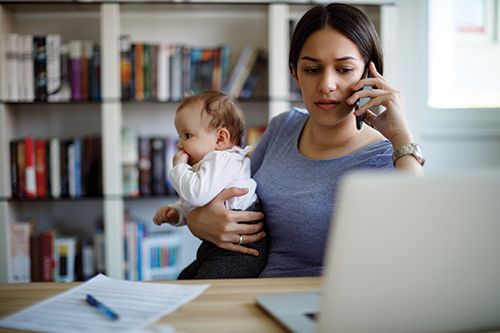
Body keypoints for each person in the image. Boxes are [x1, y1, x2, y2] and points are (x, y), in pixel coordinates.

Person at [174, 3, 424, 278]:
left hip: (323, 308)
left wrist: (402, 139)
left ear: (368, 74)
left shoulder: (391, 156)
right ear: (295, 73)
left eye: (344, 69)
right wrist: (196, 220)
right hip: (252, 294)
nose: (327, 84)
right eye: (312, 70)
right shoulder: (283, 126)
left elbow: (418, 244)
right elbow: (230, 190)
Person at [152, 90, 268, 279]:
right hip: (217, 245)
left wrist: (179, 167)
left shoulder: (223, 160)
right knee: (184, 279)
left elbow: (197, 194)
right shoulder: (211, 164)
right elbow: (201, 202)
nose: (180, 145)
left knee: (204, 289)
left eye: (187, 135)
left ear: (220, 139)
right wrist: (178, 212)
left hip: (239, 251)